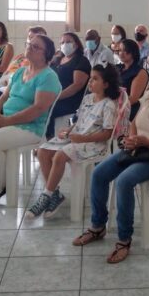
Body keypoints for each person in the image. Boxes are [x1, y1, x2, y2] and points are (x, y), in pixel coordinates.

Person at [71, 55, 149, 263]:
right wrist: (132, 138)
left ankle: (124, 239)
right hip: (138, 148)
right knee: (99, 173)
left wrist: (147, 142)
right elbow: (134, 120)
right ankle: (97, 226)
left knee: (124, 181)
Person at [0, 35, 61, 205]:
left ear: (46, 55)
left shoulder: (48, 77)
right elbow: (5, 95)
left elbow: (38, 109)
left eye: (36, 47)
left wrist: (7, 121)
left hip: (30, 127)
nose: (29, 48)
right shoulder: (19, 72)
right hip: (7, 120)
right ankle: (3, 180)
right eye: (29, 44)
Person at [26, 64, 121, 219]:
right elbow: (80, 120)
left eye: (95, 79)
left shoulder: (109, 105)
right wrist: (69, 130)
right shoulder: (88, 99)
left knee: (59, 156)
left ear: (106, 84)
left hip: (94, 144)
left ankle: (46, 195)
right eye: (90, 78)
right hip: (77, 137)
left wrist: (83, 138)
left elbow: (107, 134)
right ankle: (55, 194)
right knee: (42, 151)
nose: (90, 82)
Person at [0, 26, 47, 117]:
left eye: (36, 38)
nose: (32, 41)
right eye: (30, 37)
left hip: (21, 90)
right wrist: (5, 80)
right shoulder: (21, 57)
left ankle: (0, 121)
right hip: (6, 86)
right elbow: (7, 72)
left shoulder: (44, 60)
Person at [47, 32, 91, 137]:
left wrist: (57, 96)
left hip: (70, 100)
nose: (64, 44)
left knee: (46, 108)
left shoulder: (81, 61)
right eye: (62, 42)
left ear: (76, 44)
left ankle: (49, 137)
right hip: (53, 95)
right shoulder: (58, 59)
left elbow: (77, 85)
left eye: (68, 42)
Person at [118, 39, 149, 120]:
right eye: (120, 50)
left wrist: (115, 108)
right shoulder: (117, 68)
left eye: (125, 50)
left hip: (128, 110)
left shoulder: (140, 72)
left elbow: (133, 98)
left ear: (132, 52)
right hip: (113, 106)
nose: (121, 53)